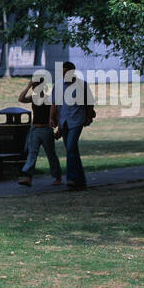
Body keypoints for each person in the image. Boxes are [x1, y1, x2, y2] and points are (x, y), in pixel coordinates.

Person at [17, 71, 62, 187]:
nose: (34, 88)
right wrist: (28, 85)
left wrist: (58, 128)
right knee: (32, 153)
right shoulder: (33, 98)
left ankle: (57, 177)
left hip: (46, 129)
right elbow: (21, 99)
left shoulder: (49, 99)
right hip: (35, 130)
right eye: (33, 86)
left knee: (51, 154)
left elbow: (57, 113)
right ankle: (28, 177)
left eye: (35, 86)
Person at [54, 62, 93, 191]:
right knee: (72, 151)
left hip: (77, 120)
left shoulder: (82, 85)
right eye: (62, 72)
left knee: (70, 147)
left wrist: (88, 117)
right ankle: (80, 180)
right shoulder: (58, 86)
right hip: (64, 121)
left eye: (66, 72)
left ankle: (71, 178)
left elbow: (89, 103)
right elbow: (55, 105)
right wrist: (54, 122)